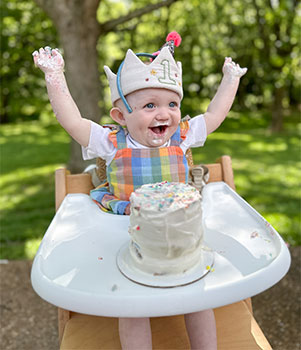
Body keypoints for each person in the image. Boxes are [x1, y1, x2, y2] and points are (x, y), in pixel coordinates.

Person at [33, 32, 246, 350]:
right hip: (125, 231)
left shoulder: (181, 137)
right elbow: (72, 121)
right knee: (131, 307)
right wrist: (55, 76)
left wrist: (230, 80)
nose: (164, 113)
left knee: (199, 295)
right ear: (121, 117)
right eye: (150, 105)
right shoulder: (111, 142)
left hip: (177, 231)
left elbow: (214, 116)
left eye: (172, 103)